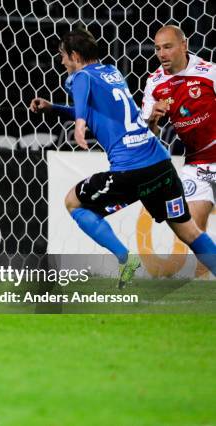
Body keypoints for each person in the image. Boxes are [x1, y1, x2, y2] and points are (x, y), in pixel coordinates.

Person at [29, 28, 216, 287]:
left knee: (73, 202)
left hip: (130, 170)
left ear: (74, 55)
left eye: (63, 56)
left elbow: (82, 91)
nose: (61, 62)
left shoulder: (81, 76)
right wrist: (54, 109)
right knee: (189, 231)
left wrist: (80, 122)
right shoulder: (113, 73)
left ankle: (125, 258)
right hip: (160, 164)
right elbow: (99, 111)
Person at [141, 25, 215, 235]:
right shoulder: (154, 83)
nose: (161, 54)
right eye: (157, 49)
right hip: (196, 162)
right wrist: (152, 119)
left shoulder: (209, 72)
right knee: (194, 231)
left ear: (184, 45)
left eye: (167, 47)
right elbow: (149, 135)